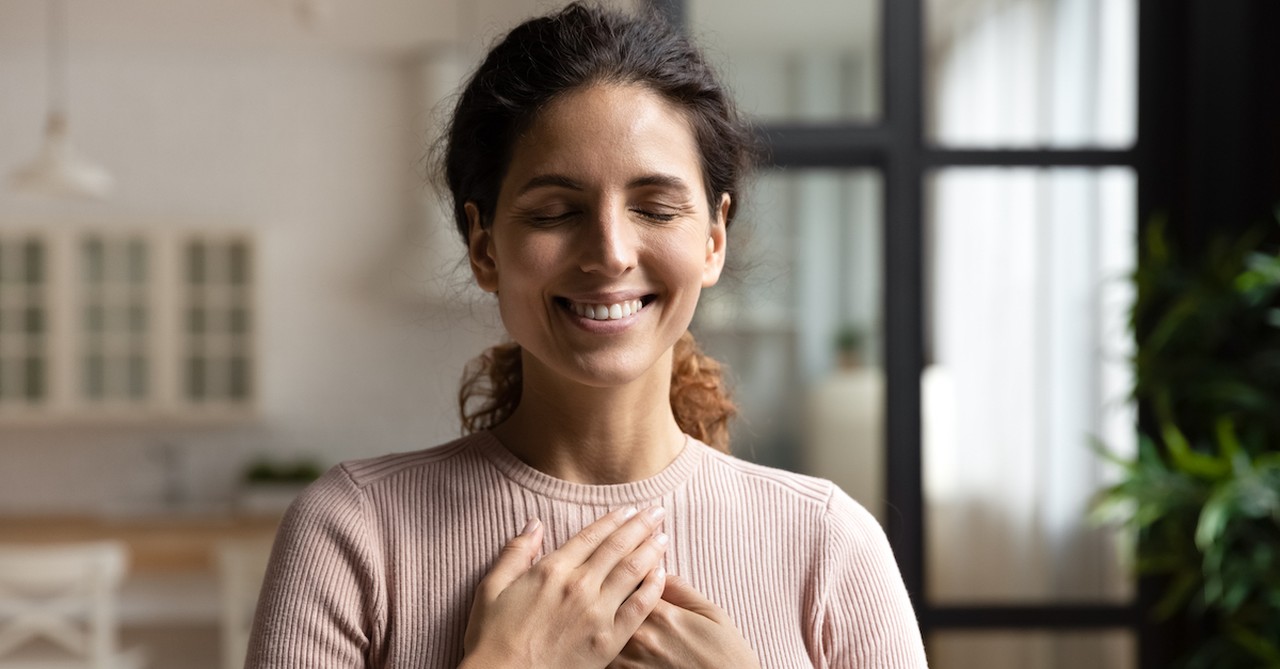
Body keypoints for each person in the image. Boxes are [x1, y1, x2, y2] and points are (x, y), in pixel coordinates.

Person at [245, 3, 929, 667]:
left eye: (655, 208)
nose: (609, 251)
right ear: (484, 247)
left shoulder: (828, 545)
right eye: (554, 211)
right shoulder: (353, 533)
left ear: (714, 238)